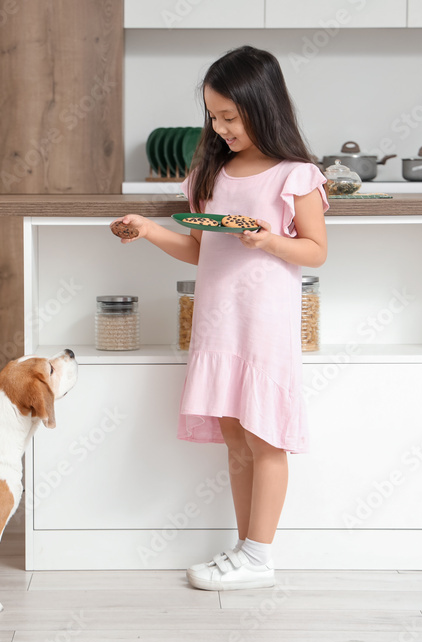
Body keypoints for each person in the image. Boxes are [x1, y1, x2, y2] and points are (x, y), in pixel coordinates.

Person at [110, 46, 328, 591]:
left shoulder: (295, 175)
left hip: (265, 326)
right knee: (234, 436)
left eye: (230, 116)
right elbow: (199, 249)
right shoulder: (211, 172)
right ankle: (244, 549)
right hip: (218, 323)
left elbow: (316, 251)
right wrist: (147, 228)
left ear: (264, 107)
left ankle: (261, 554)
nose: (219, 126)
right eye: (213, 115)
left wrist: (271, 240)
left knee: (264, 436)